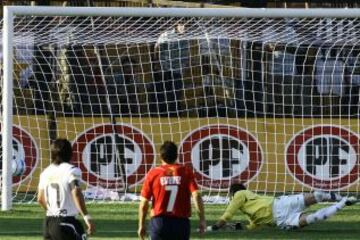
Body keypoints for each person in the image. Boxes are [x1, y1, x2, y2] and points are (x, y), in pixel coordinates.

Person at [208, 183, 357, 231]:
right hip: (282, 218)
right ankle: (343, 202)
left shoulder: (239, 194)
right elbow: (251, 226)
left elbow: (227, 214)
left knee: (316, 199)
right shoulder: (250, 210)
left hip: (280, 206)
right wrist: (231, 227)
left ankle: (344, 200)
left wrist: (214, 227)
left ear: (232, 193)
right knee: (314, 215)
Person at [138, 141, 206, 240]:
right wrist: (202, 219)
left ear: (160, 156)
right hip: (181, 224)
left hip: (159, 222)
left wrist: (141, 225)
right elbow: (196, 195)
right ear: (176, 155)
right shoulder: (186, 171)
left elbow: (144, 203)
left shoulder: (153, 173)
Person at [37, 138, 95, 240]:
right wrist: (86, 216)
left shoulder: (45, 172)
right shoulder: (72, 170)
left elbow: (40, 199)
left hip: (48, 222)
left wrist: (53, 211)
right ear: (70, 153)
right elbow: (76, 192)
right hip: (66, 222)